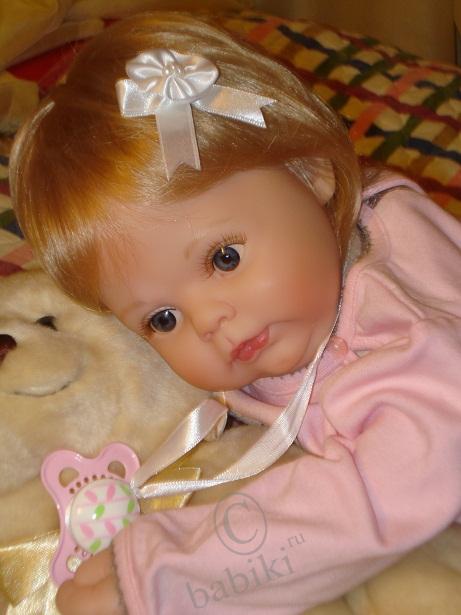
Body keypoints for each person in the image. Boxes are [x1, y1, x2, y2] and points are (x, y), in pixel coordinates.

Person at [10, 11, 461, 615]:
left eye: (223, 258)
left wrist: (169, 569)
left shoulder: (399, 328)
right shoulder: (295, 296)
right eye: (162, 319)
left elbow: (395, 484)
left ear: (311, 171)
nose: (208, 321)